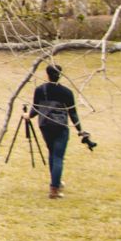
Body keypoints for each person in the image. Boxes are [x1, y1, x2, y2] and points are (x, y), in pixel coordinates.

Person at [28, 62, 84, 198]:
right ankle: (54, 189)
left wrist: (27, 116)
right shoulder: (67, 92)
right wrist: (80, 130)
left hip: (45, 125)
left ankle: (56, 182)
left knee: (52, 153)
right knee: (58, 156)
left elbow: (35, 108)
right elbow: (73, 113)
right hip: (60, 126)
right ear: (60, 75)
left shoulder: (40, 90)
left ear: (47, 75)